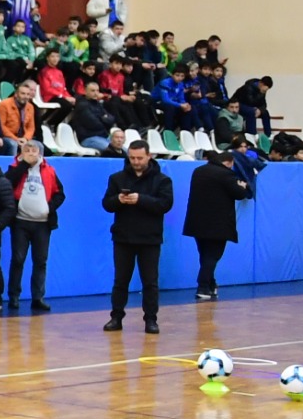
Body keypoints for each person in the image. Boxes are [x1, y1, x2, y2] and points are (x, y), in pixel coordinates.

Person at [102, 140, 174, 334]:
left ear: (149, 156)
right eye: (132, 158)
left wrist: (141, 199)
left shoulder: (162, 180)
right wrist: (118, 199)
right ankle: (116, 317)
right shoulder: (117, 178)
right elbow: (107, 204)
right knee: (120, 281)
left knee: (150, 282)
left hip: (150, 239)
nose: (135, 161)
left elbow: (165, 204)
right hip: (123, 238)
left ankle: (151, 319)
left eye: (140, 158)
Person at [181, 145, 252, 301]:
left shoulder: (198, 171)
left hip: (196, 222)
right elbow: (239, 194)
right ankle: (202, 287)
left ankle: (211, 285)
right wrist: (241, 186)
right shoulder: (226, 175)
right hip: (218, 224)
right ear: (229, 163)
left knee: (205, 255)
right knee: (212, 256)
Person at [3, 139, 63, 314]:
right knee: (18, 260)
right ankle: (14, 297)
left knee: (40, 261)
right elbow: (7, 184)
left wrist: (49, 208)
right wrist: (24, 165)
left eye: (33, 150)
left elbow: (60, 194)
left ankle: (38, 297)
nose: (30, 153)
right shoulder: (15, 167)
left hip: (42, 224)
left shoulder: (49, 170)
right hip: (20, 222)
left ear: (40, 153)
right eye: (26, 150)